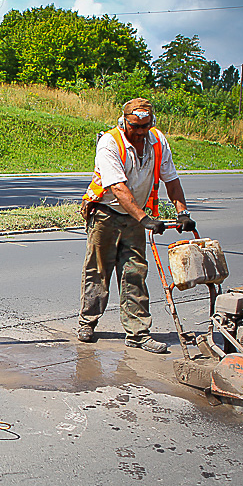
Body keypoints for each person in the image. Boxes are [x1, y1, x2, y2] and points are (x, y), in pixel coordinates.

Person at [77, 97, 195, 354]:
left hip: (136, 217)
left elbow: (171, 179)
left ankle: (138, 333)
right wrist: (145, 219)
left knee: (135, 273)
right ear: (124, 121)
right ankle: (88, 321)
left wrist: (182, 211)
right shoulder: (110, 142)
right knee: (98, 270)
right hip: (105, 213)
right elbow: (118, 188)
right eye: (135, 126)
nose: (141, 132)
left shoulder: (157, 142)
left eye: (146, 126)